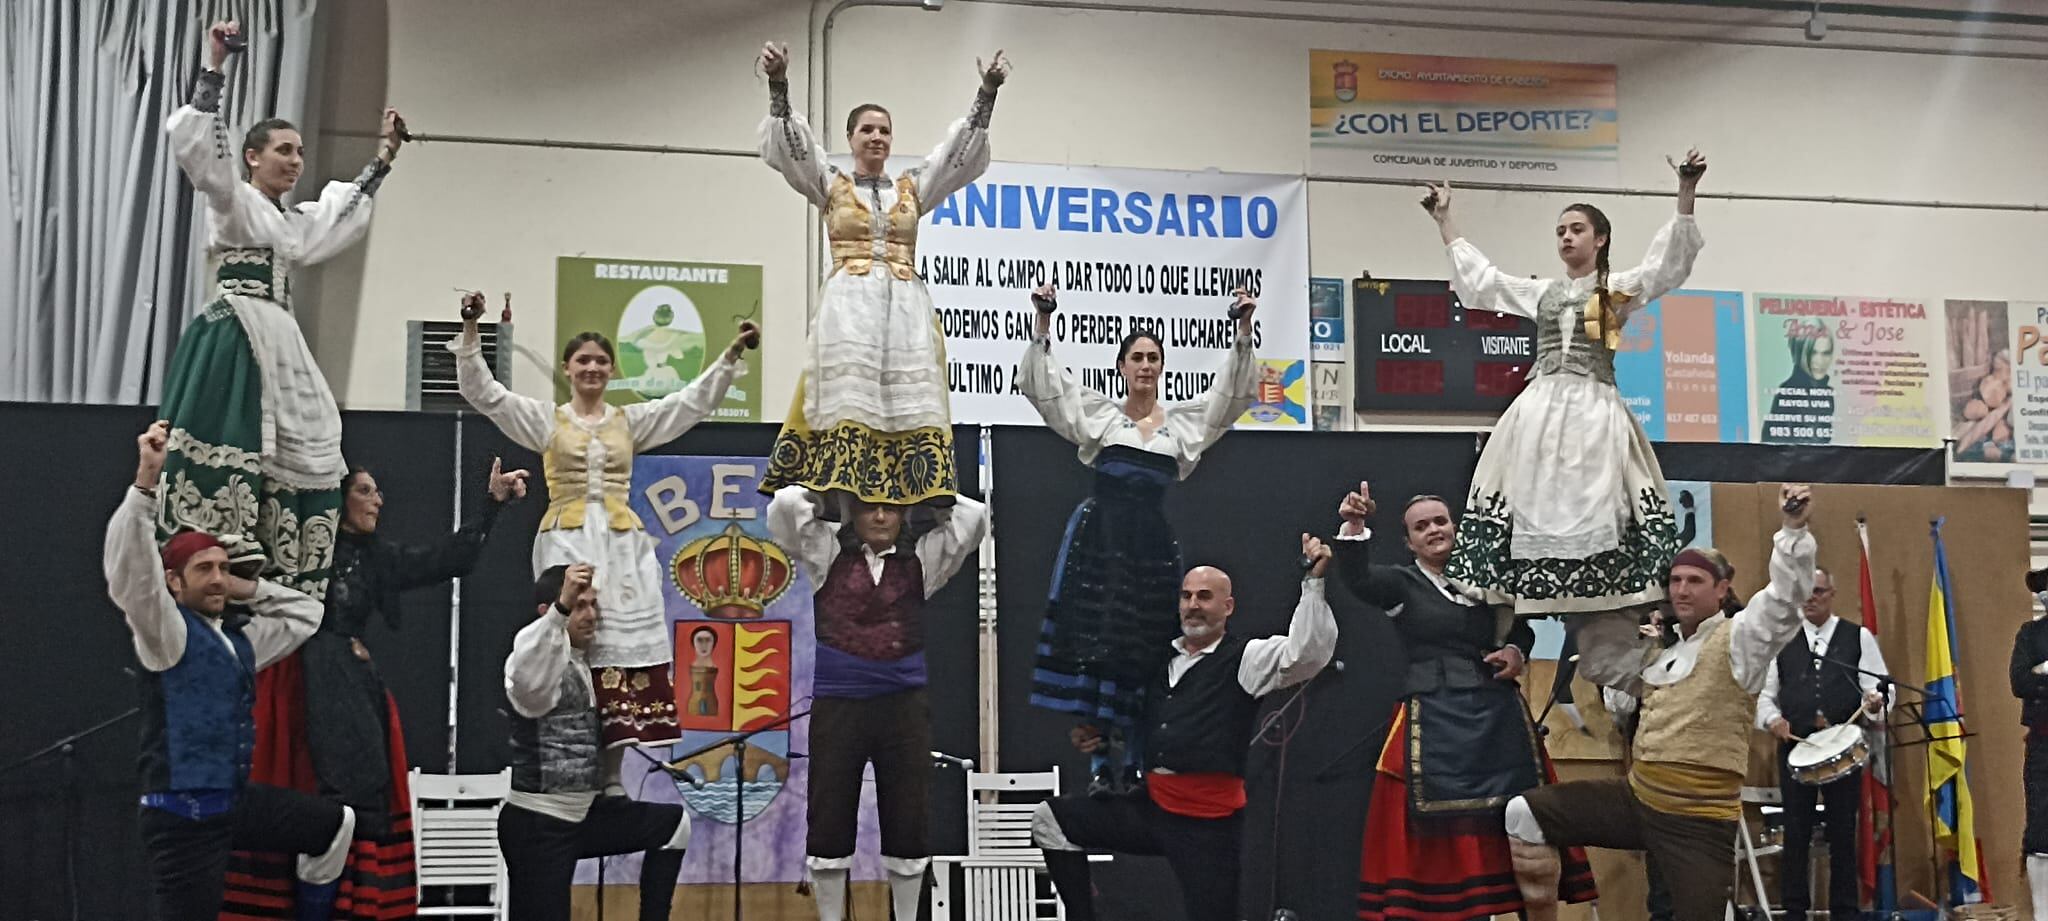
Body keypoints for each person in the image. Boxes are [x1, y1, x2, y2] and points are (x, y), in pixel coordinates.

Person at [449, 292, 757, 778]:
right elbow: (486, 394)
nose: (591, 368)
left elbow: (689, 403)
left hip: (622, 545)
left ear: (612, 370)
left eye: (600, 361)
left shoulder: (629, 422)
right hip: (567, 540)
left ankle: (613, 778)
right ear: (568, 369)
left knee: (623, 652)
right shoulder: (546, 420)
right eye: (582, 360)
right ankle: (564, 764)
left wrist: (731, 355)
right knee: (572, 644)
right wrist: (470, 329)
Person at [155, 20, 407, 598]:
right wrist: (215, 64)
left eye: (300, 152)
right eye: (284, 150)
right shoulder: (234, 202)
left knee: (311, 432)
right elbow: (201, 156)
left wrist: (384, 156)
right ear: (251, 157)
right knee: (237, 433)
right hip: (238, 329)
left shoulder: (288, 224)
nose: (295, 162)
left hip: (278, 335)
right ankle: (220, 539)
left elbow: (335, 215)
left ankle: (272, 550)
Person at [220, 460, 528, 918]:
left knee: (353, 798)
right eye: (366, 491)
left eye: (377, 491)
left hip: (346, 694)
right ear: (338, 500)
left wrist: (492, 505)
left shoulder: (376, 557)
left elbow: (449, 559)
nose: (378, 500)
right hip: (291, 689)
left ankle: (341, 906)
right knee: (289, 793)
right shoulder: (293, 550)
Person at [1502, 484, 1817, 921]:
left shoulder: (1740, 640)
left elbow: (1785, 602)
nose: (1682, 591)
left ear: (1722, 588)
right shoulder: (1659, 654)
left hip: (1699, 823)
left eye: (1695, 581)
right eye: (1675, 581)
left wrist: (1793, 531)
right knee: (1523, 814)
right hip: (1638, 801)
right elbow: (1600, 660)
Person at [1419, 153, 1707, 625]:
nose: (1567, 237)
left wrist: (1686, 192)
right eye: (1560, 231)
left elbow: (1667, 267)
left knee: (1603, 489)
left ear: (1600, 238)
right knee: (1522, 486)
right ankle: (1521, 579)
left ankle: (1611, 587)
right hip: (1541, 406)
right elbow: (1483, 286)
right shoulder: (1543, 292)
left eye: (1576, 229)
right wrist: (1445, 220)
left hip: (1594, 405)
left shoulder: (1616, 289)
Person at [109, 422, 355, 921]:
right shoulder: (167, 634)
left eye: (223, 567)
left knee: (335, 823)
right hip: (183, 820)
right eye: (205, 570)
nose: (218, 577)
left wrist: (246, 588)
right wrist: (145, 485)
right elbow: (131, 577)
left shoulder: (239, 643)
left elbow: (306, 615)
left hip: (231, 805)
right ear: (174, 582)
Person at [1020, 284, 1258, 794]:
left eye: (1153, 358)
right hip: (1098, 542)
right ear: (1122, 366)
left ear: (1162, 367)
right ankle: (1100, 763)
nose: (1145, 365)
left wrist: (1241, 329)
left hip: (1148, 547)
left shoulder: (1182, 427)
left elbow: (1231, 398)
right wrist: (1043, 320)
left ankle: (1138, 762)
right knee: (1098, 640)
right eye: (1137, 357)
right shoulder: (1102, 417)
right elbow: (1047, 391)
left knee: (1143, 645)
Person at [753, 40, 1009, 507]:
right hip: (849, 305)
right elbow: (793, 151)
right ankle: (842, 492)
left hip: (905, 305)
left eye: (885, 131)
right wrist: (778, 83)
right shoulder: (830, 183)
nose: (877, 137)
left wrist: (986, 92)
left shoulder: (912, 188)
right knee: (850, 392)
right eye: (867, 129)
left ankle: (910, 492)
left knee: (907, 391)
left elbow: (957, 157)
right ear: (851, 138)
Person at [1032, 538, 1338, 921]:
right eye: (1187, 596)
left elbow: (1306, 653)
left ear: (1227, 607)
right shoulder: (1158, 659)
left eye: (1205, 597)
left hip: (1208, 825)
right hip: (1151, 807)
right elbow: (1128, 716)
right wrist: (1094, 732)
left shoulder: (1244, 658)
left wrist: (1313, 583)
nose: (1193, 605)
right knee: (1050, 819)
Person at [1333, 484, 1597, 921]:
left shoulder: (1486, 580)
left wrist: (1516, 651)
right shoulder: (1399, 583)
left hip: (1497, 714)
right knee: (1436, 830)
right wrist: (1356, 526)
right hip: (1432, 719)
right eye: (1421, 527)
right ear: (1409, 542)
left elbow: (1520, 627)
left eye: (1440, 521)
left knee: (1520, 819)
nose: (1434, 530)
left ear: (1455, 527)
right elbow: (1359, 578)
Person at [766, 486, 990, 921]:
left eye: (892, 507)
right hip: (838, 707)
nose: (883, 517)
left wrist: (927, 492)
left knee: (908, 817)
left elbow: (974, 517)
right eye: (871, 507)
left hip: (904, 708)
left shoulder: (924, 559)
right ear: (854, 511)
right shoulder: (826, 552)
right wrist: (831, 486)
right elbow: (785, 507)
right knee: (829, 817)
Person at [499, 564, 690, 921]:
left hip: (583, 816)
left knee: (673, 825)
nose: (590, 615)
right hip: (538, 824)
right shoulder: (536, 662)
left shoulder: (591, 665)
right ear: (547, 612)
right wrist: (559, 612)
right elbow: (528, 672)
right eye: (579, 606)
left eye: (592, 605)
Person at [1757, 566, 1890, 921]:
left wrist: (1875, 701)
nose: (1812, 598)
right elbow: (1764, 695)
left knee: (1843, 835)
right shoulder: (1780, 639)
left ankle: (1845, 912)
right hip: (1796, 750)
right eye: (1806, 592)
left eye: (1819, 591)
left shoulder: (1857, 637)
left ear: (1832, 593)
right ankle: (1795, 912)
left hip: (1843, 750)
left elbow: (1878, 687)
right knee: (1796, 835)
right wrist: (1773, 720)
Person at [2014, 568, 2048, 921]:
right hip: (2043, 745)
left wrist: (2042, 674)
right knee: (2040, 827)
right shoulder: (2031, 634)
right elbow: (2019, 680)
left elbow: (2033, 678)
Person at [1761, 328, 1837, 445]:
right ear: (1800, 353)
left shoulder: (1827, 394)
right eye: (1813, 353)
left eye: (1826, 353)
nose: (1820, 361)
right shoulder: (1787, 392)